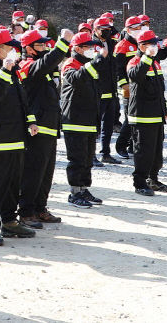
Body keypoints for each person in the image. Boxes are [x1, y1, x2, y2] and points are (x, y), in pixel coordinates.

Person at [0, 27, 38, 246]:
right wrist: (3, 71)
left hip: (15, 136)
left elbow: (22, 99)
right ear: (0, 51)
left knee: (13, 183)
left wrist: (30, 120)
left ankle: (9, 222)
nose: (15, 51)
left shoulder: (13, 71)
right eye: (11, 48)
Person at [17, 28, 72, 226]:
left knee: (46, 173)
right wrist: (62, 43)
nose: (44, 48)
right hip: (36, 128)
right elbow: (47, 62)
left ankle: (40, 208)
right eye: (40, 45)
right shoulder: (26, 65)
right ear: (29, 49)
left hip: (49, 126)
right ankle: (25, 211)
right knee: (33, 171)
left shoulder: (43, 67)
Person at [61, 32, 108, 208]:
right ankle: (74, 193)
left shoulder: (88, 65)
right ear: (77, 48)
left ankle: (83, 188)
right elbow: (76, 79)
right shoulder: (70, 63)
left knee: (87, 159)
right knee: (77, 159)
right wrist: (95, 62)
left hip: (89, 119)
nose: (91, 49)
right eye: (87, 47)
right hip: (74, 119)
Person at [127, 30, 167, 195]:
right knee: (143, 151)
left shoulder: (155, 62)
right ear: (142, 45)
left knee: (156, 151)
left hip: (156, 114)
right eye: (152, 43)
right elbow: (135, 75)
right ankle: (140, 183)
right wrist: (146, 58)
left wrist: (164, 108)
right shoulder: (135, 61)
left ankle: (153, 179)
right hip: (141, 115)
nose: (156, 46)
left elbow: (160, 89)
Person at [93, 17, 121, 165]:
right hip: (96, 91)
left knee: (108, 124)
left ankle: (105, 153)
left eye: (108, 29)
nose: (106, 32)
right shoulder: (91, 45)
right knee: (94, 125)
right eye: (103, 29)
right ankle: (91, 155)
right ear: (95, 29)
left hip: (111, 90)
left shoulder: (112, 43)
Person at [114, 16, 142, 159]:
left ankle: (132, 146)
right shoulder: (122, 45)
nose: (139, 30)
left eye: (140, 27)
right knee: (129, 119)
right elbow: (118, 69)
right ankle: (120, 146)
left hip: (138, 87)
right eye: (136, 28)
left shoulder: (140, 43)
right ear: (128, 29)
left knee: (136, 118)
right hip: (127, 88)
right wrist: (124, 85)